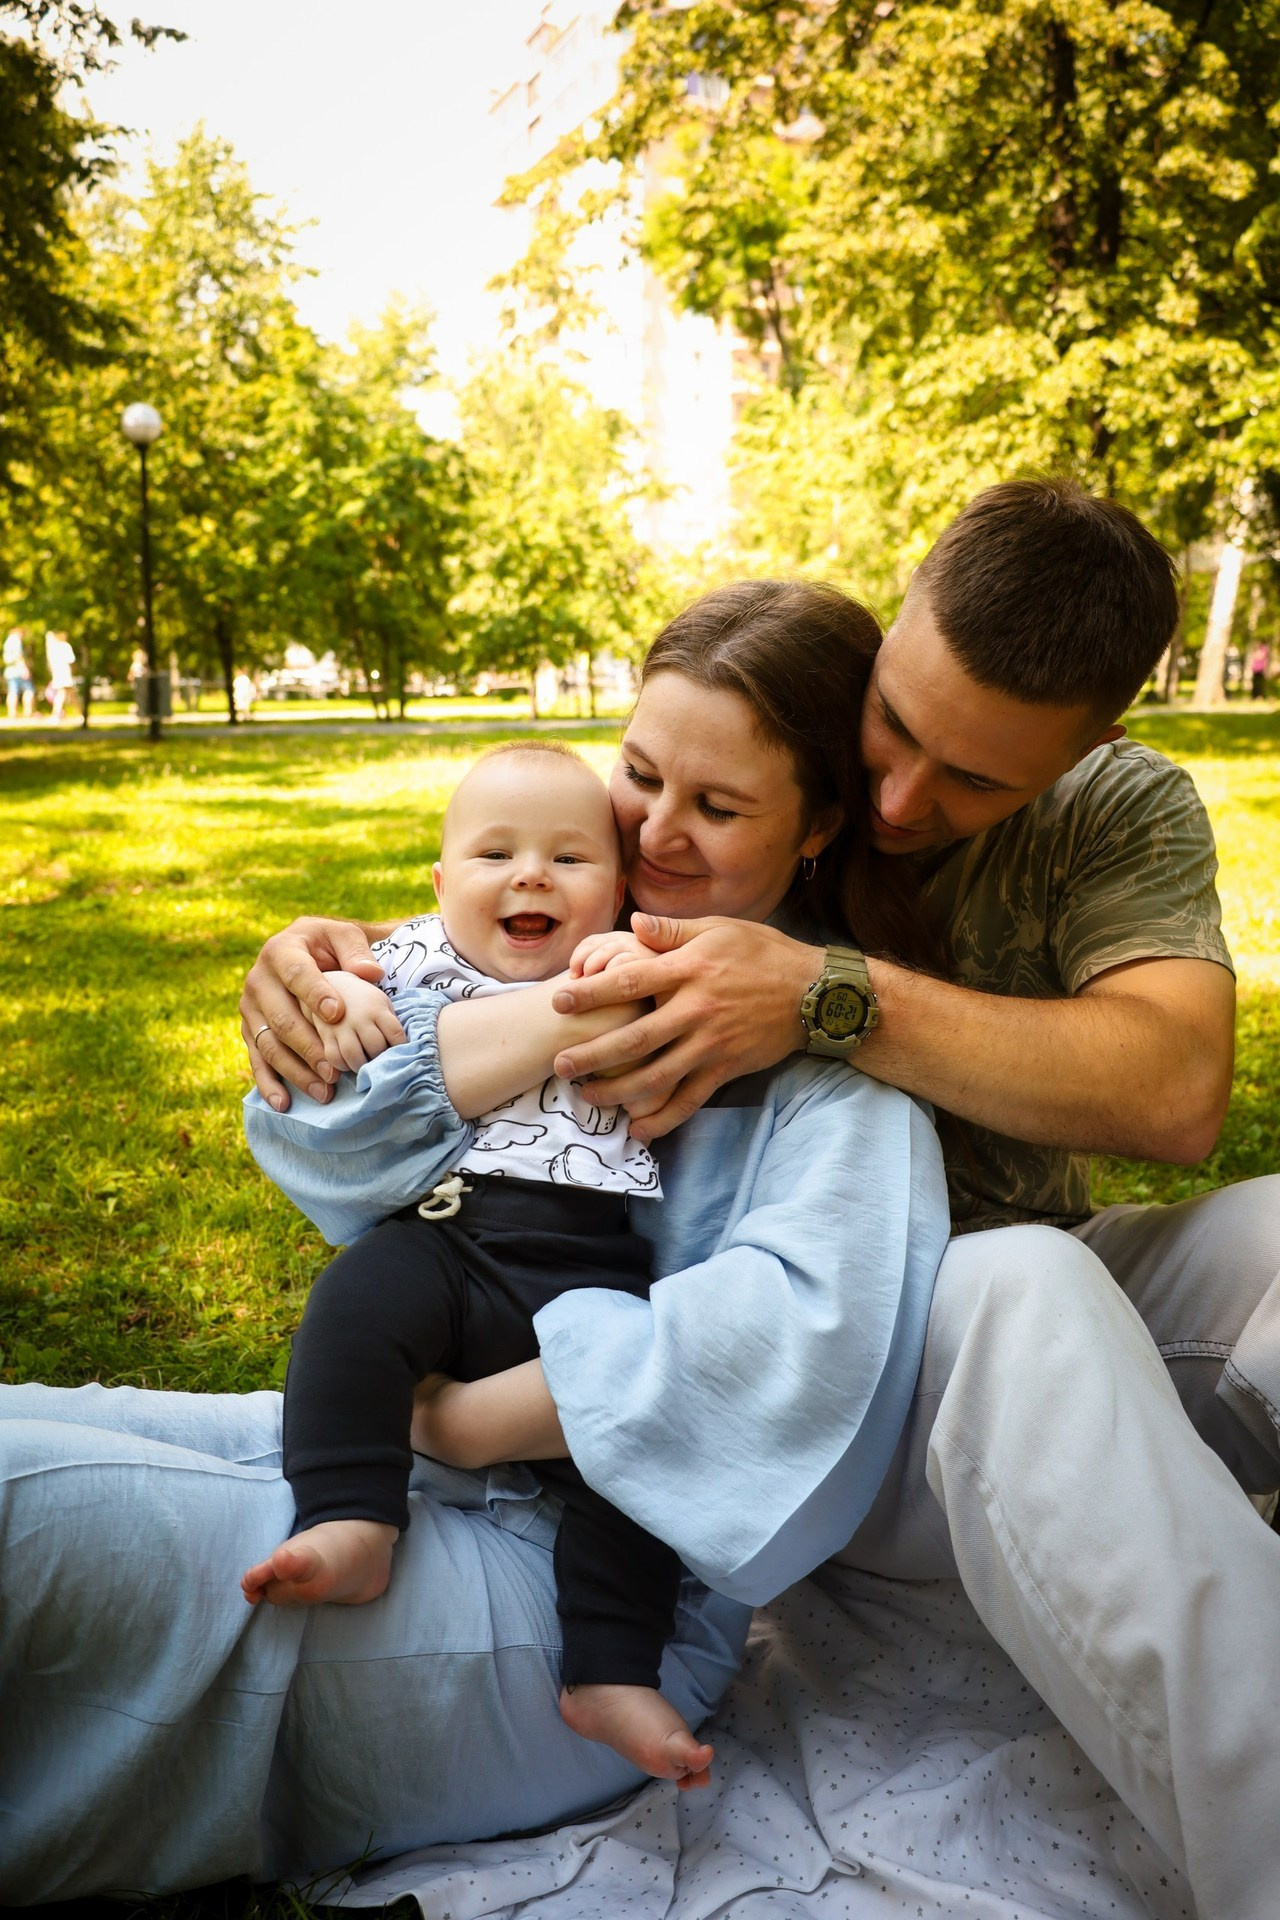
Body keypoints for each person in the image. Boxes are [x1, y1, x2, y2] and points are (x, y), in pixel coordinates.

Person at [242, 484, 1280, 1920]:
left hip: (995, 1270)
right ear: (898, 623)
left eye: (975, 781)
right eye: (896, 735)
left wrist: (828, 994)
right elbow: (512, 912)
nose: (910, 803)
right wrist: (329, 955)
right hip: (885, 1341)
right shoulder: (735, 778)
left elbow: (1175, 1090)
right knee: (1023, 1283)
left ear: (1087, 748)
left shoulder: (1111, 807)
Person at [0, 582, 950, 1902]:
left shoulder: (842, 1095)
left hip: (595, 1609)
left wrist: (449, 1426)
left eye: (718, 808)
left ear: (817, 829)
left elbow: (775, 1360)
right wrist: (531, 1003)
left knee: (21, 1530)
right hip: (389, 1476)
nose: (655, 832)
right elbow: (322, 1148)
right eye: (637, 778)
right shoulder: (535, 966)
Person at [243, 741, 730, 1789]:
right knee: (356, 1302)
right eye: (494, 853)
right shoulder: (408, 958)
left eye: (568, 858)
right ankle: (351, 1517)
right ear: (435, 883)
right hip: (448, 1239)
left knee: (632, 1449)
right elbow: (337, 1028)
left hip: (588, 1269)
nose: (529, 876)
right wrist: (340, 1001)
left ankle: (608, 1667)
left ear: (618, 884)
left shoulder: (620, 960)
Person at [44, 629, 76, 724]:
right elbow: (71, 660)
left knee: (70, 693)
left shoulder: (53, 648)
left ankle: (81, 713)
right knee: (62, 693)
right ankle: (55, 715)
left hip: (58, 673)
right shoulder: (65, 646)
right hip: (64, 672)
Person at [3, 626, 34, 721]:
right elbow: (19, 656)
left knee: (12, 691)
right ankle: (28, 712)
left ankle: (12, 713)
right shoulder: (16, 640)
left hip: (10, 670)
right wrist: (25, 669)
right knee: (29, 690)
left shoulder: (7, 641)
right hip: (18, 670)